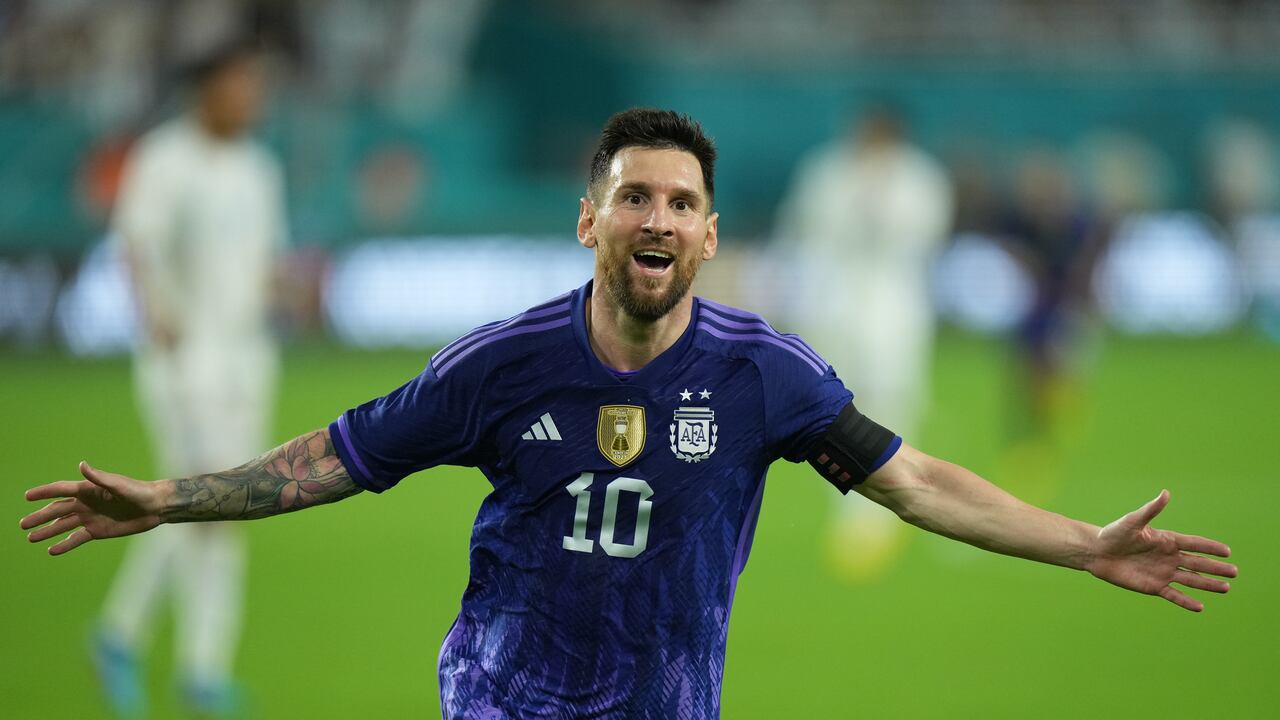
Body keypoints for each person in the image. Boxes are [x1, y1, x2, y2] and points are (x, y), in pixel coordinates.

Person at [23, 109, 1235, 719]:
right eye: (632, 198)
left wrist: (1082, 545)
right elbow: (333, 459)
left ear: (709, 233)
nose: (656, 219)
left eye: (680, 203)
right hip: (503, 696)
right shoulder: (500, 367)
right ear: (589, 221)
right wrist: (167, 500)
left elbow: (912, 480)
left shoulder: (765, 375)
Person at [89, 40, 287, 718]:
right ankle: (146, 645)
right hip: (186, 357)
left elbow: (264, 261)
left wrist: (284, 290)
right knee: (196, 495)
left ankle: (184, 661)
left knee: (233, 504)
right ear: (205, 88)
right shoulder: (165, 158)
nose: (251, 97)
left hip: (246, 358)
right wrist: (154, 315)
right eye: (240, 84)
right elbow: (135, 245)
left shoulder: (259, 167)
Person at [774, 104, 953, 580]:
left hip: (895, 303)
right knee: (838, 402)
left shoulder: (919, 177)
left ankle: (888, 505)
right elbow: (803, 229)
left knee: (891, 398)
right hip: (836, 300)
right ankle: (852, 502)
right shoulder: (827, 170)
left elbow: (924, 234)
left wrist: (878, 206)